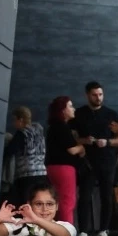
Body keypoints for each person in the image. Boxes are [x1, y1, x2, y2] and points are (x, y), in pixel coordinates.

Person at [73, 82, 118, 236]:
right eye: (94, 95)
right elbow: (72, 138)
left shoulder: (111, 115)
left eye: (100, 94)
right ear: (87, 95)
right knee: (84, 195)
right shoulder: (79, 114)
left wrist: (108, 142)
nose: (98, 98)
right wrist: (85, 140)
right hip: (87, 162)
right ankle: (83, 230)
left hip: (107, 161)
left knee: (106, 195)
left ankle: (104, 229)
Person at [44, 96, 84, 225]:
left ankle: (57, 230)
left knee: (58, 200)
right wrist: (81, 147)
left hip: (52, 167)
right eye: (70, 106)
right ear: (63, 110)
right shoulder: (62, 127)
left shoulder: (52, 127)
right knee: (67, 201)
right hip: (64, 168)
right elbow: (71, 150)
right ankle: (67, 234)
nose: (73, 109)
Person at [4, 106, 46, 209]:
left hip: (27, 174)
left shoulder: (22, 133)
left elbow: (10, 151)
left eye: (14, 120)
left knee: (24, 204)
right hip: (42, 174)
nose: (14, 124)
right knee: (37, 203)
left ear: (20, 119)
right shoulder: (40, 134)